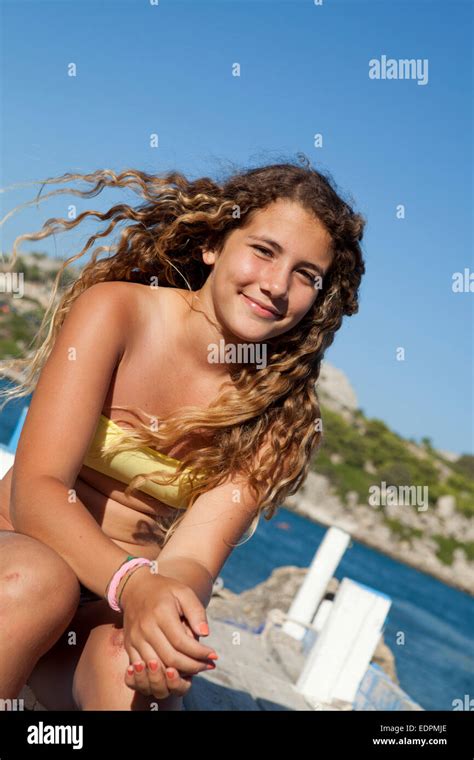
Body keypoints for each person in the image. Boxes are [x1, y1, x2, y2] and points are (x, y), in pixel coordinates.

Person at [0, 156, 366, 710]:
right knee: (39, 581)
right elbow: (39, 488)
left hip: (113, 603)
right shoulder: (118, 312)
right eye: (264, 251)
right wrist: (133, 583)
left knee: (136, 672)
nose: (276, 285)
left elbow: (193, 558)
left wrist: (169, 625)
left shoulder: (277, 409)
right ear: (213, 244)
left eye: (306, 276)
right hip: (22, 555)